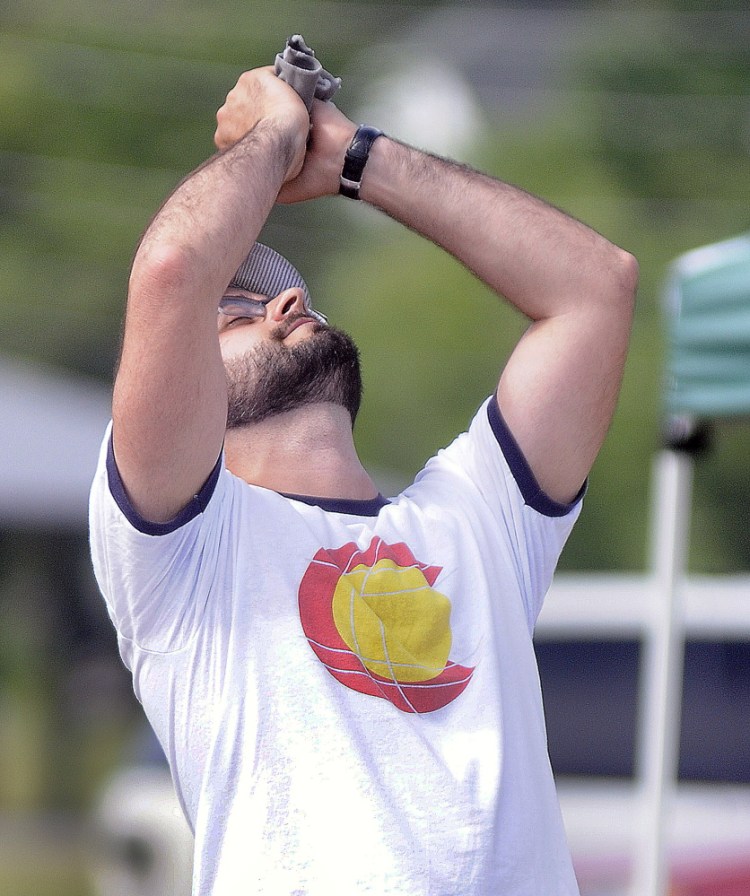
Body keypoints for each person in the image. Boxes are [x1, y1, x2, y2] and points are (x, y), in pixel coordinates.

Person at [89, 61, 637, 896]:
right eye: (235, 314)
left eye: (281, 298)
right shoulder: (181, 554)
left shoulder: (479, 517)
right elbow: (172, 271)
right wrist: (274, 136)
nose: (284, 306)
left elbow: (596, 287)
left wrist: (349, 155)